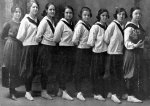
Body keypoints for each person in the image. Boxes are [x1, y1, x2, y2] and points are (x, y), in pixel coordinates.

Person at [16, 1, 39, 101]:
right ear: (29, 8)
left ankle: (29, 90)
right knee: (28, 71)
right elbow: (20, 37)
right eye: (33, 7)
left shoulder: (36, 20)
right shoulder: (25, 20)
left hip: (36, 47)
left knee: (33, 70)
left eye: (37, 7)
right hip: (28, 48)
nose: (35, 9)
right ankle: (27, 92)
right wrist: (28, 42)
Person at [104, 7, 127, 103]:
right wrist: (112, 46)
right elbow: (106, 38)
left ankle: (117, 92)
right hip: (113, 53)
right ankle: (113, 94)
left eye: (123, 14)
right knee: (113, 74)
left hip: (119, 53)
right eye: (119, 14)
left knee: (119, 74)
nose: (121, 16)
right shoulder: (112, 25)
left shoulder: (123, 26)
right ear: (116, 15)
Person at [123, 7, 145, 103]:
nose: (138, 15)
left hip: (138, 52)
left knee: (136, 72)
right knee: (130, 73)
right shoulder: (129, 27)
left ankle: (132, 93)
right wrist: (135, 45)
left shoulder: (139, 26)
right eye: (136, 13)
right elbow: (126, 43)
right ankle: (129, 95)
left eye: (140, 14)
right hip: (131, 52)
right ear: (131, 14)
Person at [87, 8, 109, 101]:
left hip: (104, 53)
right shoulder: (95, 27)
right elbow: (90, 42)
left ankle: (101, 92)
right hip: (97, 53)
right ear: (99, 16)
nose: (104, 17)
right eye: (102, 15)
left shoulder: (106, 26)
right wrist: (97, 46)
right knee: (96, 74)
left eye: (106, 16)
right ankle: (96, 93)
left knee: (102, 73)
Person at [1, 5, 22, 101]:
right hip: (10, 47)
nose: (18, 14)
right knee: (11, 67)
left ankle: (14, 89)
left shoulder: (22, 23)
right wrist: (9, 41)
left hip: (18, 47)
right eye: (16, 12)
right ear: (12, 13)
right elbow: (2, 35)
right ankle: (11, 92)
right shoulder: (8, 23)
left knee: (16, 67)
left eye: (19, 12)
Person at [35, 2, 56, 100]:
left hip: (51, 48)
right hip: (45, 49)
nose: (52, 11)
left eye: (53, 10)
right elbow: (38, 37)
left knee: (48, 71)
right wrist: (45, 42)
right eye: (50, 9)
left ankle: (46, 90)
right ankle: (43, 92)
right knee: (44, 71)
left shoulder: (52, 21)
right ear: (46, 10)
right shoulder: (44, 21)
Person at [53, 5, 75, 101]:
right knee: (63, 71)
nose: (69, 15)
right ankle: (64, 92)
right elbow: (56, 38)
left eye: (70, 13)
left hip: (70, 50)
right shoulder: (61, 23)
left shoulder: (72, 23)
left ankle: (60, 90)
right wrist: (63, 43)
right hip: (63, 50)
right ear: (64, 14)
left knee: (66, 71)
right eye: (67, 13)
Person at [72, 7, 92, 101]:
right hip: (81, 51)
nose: (87, 16)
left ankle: (82, 91)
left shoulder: (88, 25)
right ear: (81, 15)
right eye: (85, 15)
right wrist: (80, 46)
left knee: (85, 71)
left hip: (87, 51)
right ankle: (78, 91)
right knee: (78, 72)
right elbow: (75, 40)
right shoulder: (80, 25)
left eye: (88, 15)